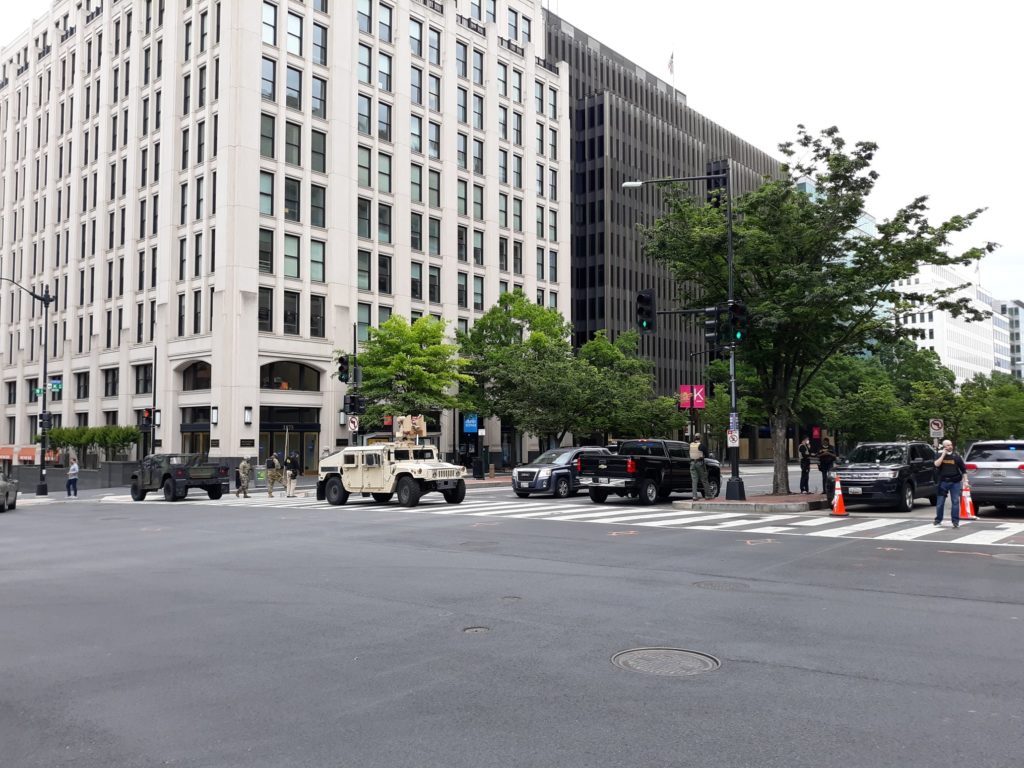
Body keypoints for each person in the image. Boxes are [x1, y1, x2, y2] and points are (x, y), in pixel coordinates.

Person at [933, 439, 967, 528]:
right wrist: (943, 454)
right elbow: (936, 464)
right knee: (940, 502)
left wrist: (966, 481)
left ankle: (955, 521)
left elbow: (963, 470)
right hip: (943, 482)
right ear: (944, 446)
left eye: (951, 445)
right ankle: (938, 519)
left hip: (955, 482)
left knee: (955, 501)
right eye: (948, 445)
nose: (950, 446)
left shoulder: (956, 456)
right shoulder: (939, 455)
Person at [688, 435, 711, 500]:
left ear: (694, 439)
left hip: (692, 463)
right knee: (704, 479)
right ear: (700, 439)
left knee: (694, 480)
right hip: (699, 463)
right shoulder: (702, 445)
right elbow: (707, 455)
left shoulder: (690, 445)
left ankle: (694, 496)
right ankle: (708, 495)